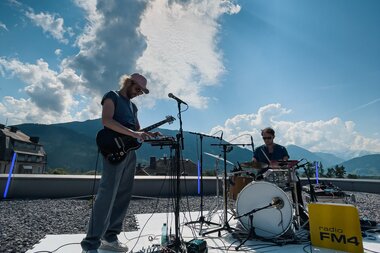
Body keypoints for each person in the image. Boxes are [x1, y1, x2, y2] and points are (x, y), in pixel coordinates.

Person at [81, 73, 158, 253]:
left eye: (142, 91)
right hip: (113, 151)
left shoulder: (134, 107)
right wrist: (134, 134)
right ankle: (90, 245)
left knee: (123, 196)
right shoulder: (112, 96)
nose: (139, 93)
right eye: (137, 88)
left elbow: (137, 131)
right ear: (128, 83)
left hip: (129, 153)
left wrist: (149, 135)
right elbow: (107, 121)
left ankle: (110, 238)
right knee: (106, 195)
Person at [253, 127, 308, 226]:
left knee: (296, 182)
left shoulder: (281, 149)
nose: (266, 140)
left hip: (279, 175)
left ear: (273, 136)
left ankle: (300, 211)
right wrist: (254, 163)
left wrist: (279, 165)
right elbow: (254, 163)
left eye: (268, 138)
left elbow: (286, 162)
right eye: (264, 138)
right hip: (263, 176)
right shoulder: (258, 150)